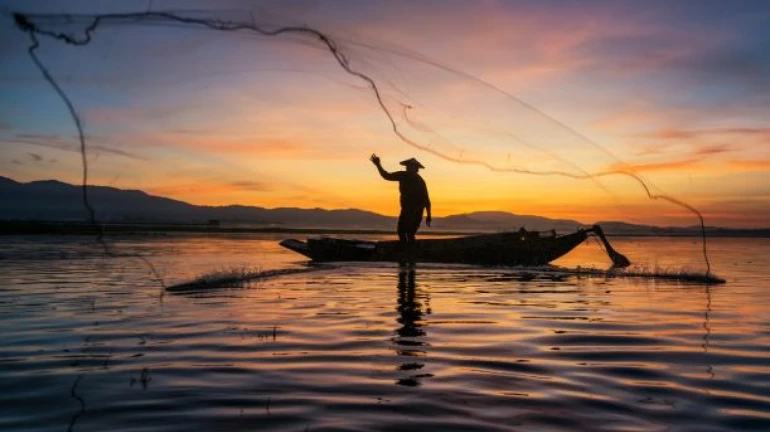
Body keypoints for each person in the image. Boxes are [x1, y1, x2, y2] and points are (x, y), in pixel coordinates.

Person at [370, 154, 431, 264]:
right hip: (407, 210)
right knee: (403, 232)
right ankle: (408, 255)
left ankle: (409, 256)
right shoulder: (403, 175)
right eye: (408, 167)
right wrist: (378, 165)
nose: (409, 168)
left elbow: (426, 199)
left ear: (416, 169)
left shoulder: (419, 181)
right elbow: (386, 176)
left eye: (412, 167)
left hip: (416, 211)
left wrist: (429, 215)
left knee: (408, 233)